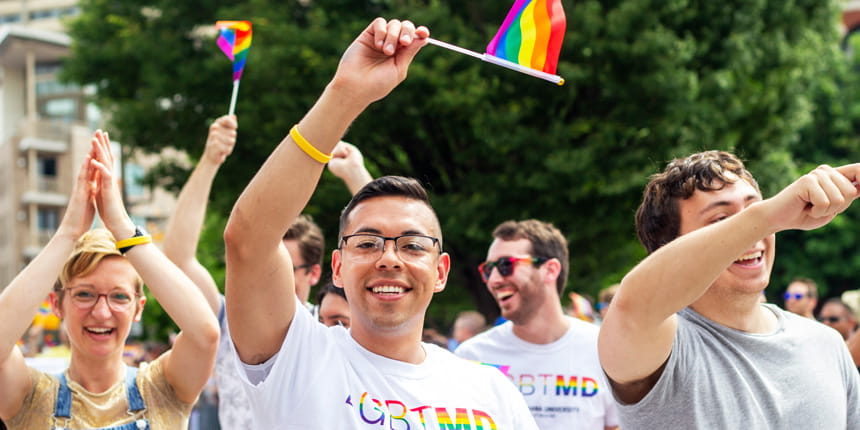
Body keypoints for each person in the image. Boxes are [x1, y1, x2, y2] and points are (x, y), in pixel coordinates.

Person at [224, 18, 537, 428]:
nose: (389, 259)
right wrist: (346, 94)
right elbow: (248, 239)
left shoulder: (491, 392)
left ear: (441, 271)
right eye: (368, 243)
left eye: (412, 245)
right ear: (337, 266)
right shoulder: (297, 359)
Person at [598, 150, 860, 428]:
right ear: (671, 248)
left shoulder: (824, 343)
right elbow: (632, 306)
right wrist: (767, 215)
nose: (755, 232)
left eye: (753, 210)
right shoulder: (660, 343)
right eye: (721, 220)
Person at [0, 130, 220, 428]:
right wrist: (68, 234)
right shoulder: (30, 397)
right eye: (84, 294)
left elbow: (205, 333)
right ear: (57, 303)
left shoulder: (163, 388)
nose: (101, 312)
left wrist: (122, 226)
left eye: (118, 296)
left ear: (138, 307)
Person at [161, 116, 371, 428]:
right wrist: (209, 161)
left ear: (313, 273)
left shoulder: (332, 329)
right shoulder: (227, 323)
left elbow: (394, 266)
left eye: (283, 267)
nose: (265, 275)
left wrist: (358, 178)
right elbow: (179, 259)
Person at [456, 220, 619, 430]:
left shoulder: (603, 349)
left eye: (506, 265)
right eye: (488, 269)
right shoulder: (471, 358)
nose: (493, 280)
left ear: (550, 270)